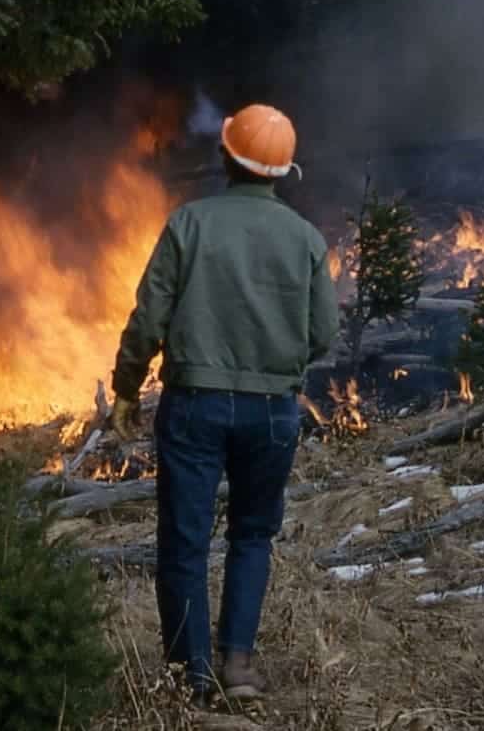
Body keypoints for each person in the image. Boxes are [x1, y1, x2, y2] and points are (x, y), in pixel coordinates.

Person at [108, 102, 339, 703]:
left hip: (195, 405)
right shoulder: (306, 239)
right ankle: (237, 664)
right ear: (284, 170)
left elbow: (148, 319)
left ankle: (191, 674)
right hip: (271, 411)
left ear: (225, 157)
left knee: (184, 541)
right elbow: (324, 335)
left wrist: (126, 388)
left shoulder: (189, 223)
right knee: (252, 536)